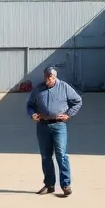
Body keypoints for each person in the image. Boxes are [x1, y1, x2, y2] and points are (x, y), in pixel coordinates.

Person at [26, 67, 81, 196]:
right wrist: (32, 114)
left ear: (55, 77)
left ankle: (66, 185)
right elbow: (30, 105)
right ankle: (49, 184)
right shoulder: (38, 89)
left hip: (59, 125)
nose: (47, 80)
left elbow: (77, 101)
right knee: (46, 156)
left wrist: (69, 114)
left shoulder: (64, 87)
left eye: (50, 77)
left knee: (61, 155)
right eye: (45, 77)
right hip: (43, 126)